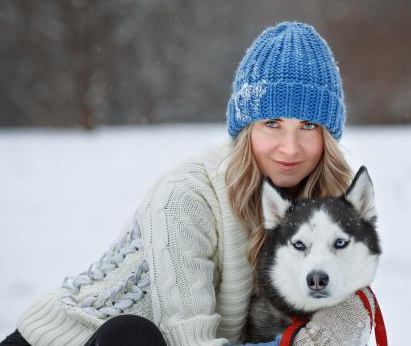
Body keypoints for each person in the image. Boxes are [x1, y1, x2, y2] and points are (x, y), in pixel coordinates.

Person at [1, 21, 375, 346]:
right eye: (272, 123)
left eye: (308, 126)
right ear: (246, 128)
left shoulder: (326, 211)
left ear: (329, 135)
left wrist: (348, 312)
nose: (290, 148)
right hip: (77, 340)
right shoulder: (185, 197)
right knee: (132, 336)